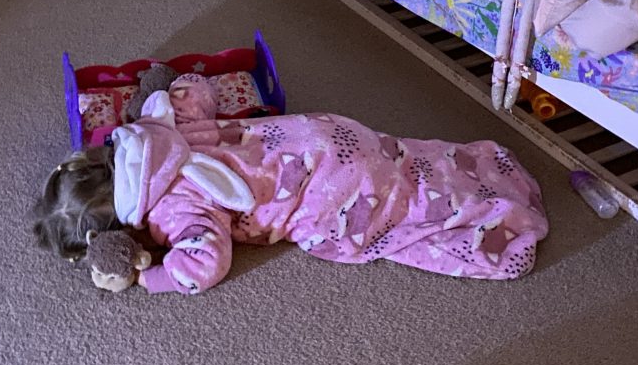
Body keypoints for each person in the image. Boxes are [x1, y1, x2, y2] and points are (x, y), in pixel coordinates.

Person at [33, 76, 550, 294]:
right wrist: (172, 89)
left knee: (400, 209)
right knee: (409, 163)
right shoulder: (157, 128)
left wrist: (151, 278)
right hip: (324, 133)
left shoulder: (174, 209)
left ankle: (497, 222)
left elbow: (204, 264)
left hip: (334, 189)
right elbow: (198, 92)